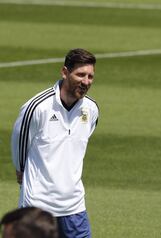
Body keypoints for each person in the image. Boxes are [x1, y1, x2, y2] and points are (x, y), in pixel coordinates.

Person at [11, 48, 99, 238]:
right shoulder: (37, 107)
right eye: (80, 75)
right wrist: (22, 173)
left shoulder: (91, 110)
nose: (86, 82)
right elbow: (19, 147)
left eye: (90, 76)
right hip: (37, 208)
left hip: (75, 208)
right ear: (65, 72)